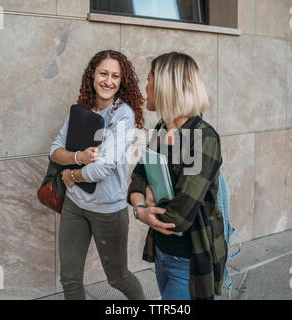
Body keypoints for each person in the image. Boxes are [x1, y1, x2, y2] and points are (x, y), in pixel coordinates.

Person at [128, 52, 227, 300]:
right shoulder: (162, 129)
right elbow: (138, 176)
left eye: (150, 78)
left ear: (165, 86)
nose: (145, 86)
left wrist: (147, 205)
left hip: (189, 261)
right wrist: (141, 205)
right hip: (161, 254)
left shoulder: (204, 138)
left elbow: (179, 217)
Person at [50, 50, 146, 300]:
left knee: (118, 278)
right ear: (92, 75)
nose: (108, 81)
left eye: (115, 76)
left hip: (108, 210)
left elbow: (104, 166)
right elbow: (54, 151)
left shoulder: (123, 114)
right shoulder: (81, 109)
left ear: (122, 81)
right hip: (75, 205)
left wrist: (72, 176)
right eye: (103, 73)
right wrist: (78, 158)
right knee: (69, 280)